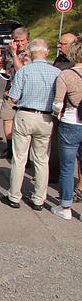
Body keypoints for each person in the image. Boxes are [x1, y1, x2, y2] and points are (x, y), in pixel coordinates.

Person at [0, 39, 61, 211]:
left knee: (20, 157)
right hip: (46, 117)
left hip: (25, 114)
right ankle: (39, 199)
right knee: (42, 159)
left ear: (30, 53)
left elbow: (13, 97)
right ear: (46, 52)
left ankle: (14, 196)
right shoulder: (56, 72)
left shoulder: (24, 71)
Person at [50, 39, 82, 220]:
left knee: (67, 167)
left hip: (70, 122)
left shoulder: (66, 75)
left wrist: (57, 114)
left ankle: (66, 206)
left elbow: (57, 103)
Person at [0, 27, 32, 159]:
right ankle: (10, 147)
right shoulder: (8, 51)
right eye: (16, 41)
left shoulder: (31, 54)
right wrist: (0, 64)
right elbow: (3, 66)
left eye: (22, 41)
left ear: (27, 40)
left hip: (25, 93)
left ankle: (24, 153)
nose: (20, 44)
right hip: (10, 89)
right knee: (7, 119)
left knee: (23, 123)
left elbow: (22, 71)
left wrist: (15, 54)